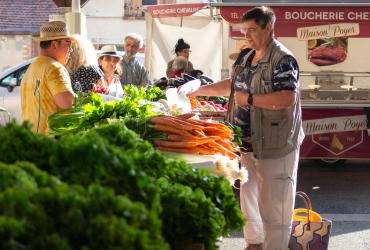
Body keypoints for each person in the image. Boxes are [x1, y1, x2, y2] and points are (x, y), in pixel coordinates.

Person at [181, 6, 304, 250]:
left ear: (268, 27)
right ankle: (254, 243)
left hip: (275, 144)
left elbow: (287, 98)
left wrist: (249, 100)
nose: (246, 35)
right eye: (243, 30)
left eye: (251, 30)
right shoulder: (247, 56)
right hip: (246, 143)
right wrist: (195, 89)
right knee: (249, 200)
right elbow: (231, 84)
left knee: (275, 209)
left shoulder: (283, 59)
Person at [21, 21, 76, 135]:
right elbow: (69, 104)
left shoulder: (31, 68)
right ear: (54, 44)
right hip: (49, 143)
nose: (71, 50)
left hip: (29, 140)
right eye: (68, 44)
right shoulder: (54, 68)